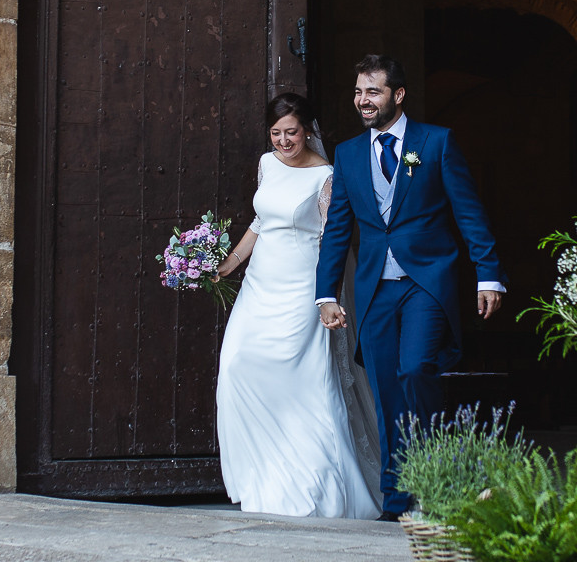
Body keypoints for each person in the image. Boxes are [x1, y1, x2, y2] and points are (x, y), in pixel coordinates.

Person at [315, 55, 507, 522]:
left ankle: (436, 474)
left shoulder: (435, 142)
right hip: (375, 289)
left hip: (426, 281)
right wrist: (326, 294)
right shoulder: (347, 154)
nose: (363, 100)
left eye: (373, 92)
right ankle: (398, 501)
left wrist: (488, 273)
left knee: (416, 369)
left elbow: (469, 212)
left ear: (397, 95)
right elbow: (339, 229)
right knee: (384, 391)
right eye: (359, 91)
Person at [215, 92, 382, 519]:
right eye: (276, 133)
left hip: (301, 289)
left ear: (308, 129)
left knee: (305, 385)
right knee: (235, 367)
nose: (284, 141)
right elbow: (259, 222)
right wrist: (227, 265)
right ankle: (262, 476)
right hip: (259, 286)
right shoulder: (267, 164)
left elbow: (334, 238)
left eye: (291, 132)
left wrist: (327, 296)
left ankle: (316, 485)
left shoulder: (325, 175)